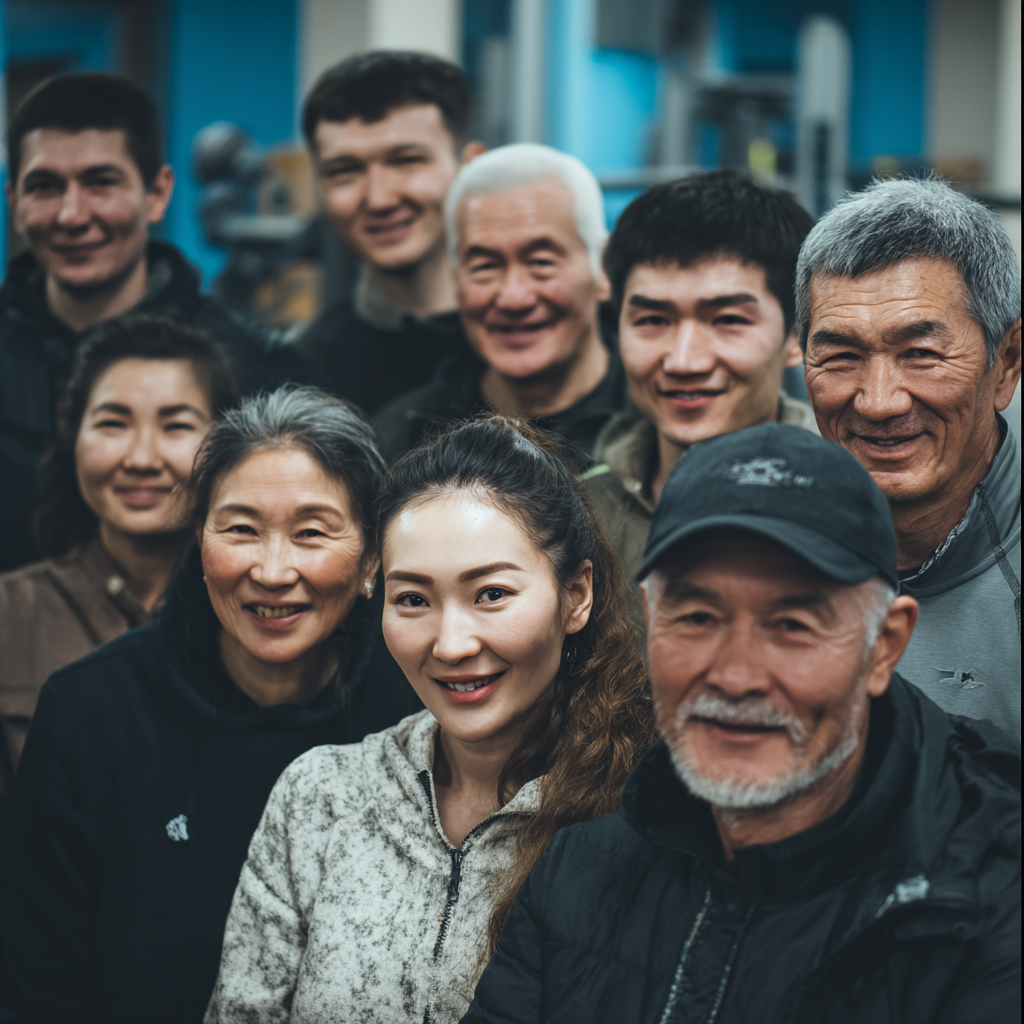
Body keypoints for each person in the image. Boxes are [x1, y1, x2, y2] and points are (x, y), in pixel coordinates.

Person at [464, 423, 1020, 1024]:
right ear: (652, 620)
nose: (735, 676)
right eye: (698, 617)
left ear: (883, 647)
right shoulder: (579, 869)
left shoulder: (992, 889)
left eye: (792, 626)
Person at [205, 418, 654, 1023]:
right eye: (412, 599)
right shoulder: (322, 795)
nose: (450, 645)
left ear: (576, 595)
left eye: (491, 594)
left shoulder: (641, 813)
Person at [0, 387, 420, 1024]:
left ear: (371, 560)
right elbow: (40, 981)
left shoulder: (417, 715)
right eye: (241, 530)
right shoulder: (92, 712)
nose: (273, 571)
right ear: (198, 543)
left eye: (311, 532)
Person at [0, 72, 322, 573]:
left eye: (101, 182)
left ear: (157, 192)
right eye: (44, 187)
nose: (71, 214)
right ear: (14, 202)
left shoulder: (260, 370)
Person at [798, 177, 1022, 738]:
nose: (878, 402)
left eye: (920, 354)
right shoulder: (761, 546)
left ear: (1008, 362)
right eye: (841, 356)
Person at [0, 314, 235, 802]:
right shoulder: (10, 615)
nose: (142, 458)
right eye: (112, 423)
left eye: (176, 425)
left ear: (223, 446)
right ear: (73, 442)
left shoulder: (260, 613)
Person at [584, 170, 819, 604]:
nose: (684, 361)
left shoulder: (852, 501)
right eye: (652, 320)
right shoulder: (575, 519)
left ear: (795, 337)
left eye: (728, 320)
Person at [375, 144, 628, 468]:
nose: (514, 297)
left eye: (541, 262)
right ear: (456, 280)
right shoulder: (400, 443)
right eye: (485, 267)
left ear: (603, 269)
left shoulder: (662, 424)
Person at [296, 51, 485, 415]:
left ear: (470, 167)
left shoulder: (535, 336)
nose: (379, 198)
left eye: (406, 160)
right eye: (344, 170)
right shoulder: (305, 371)